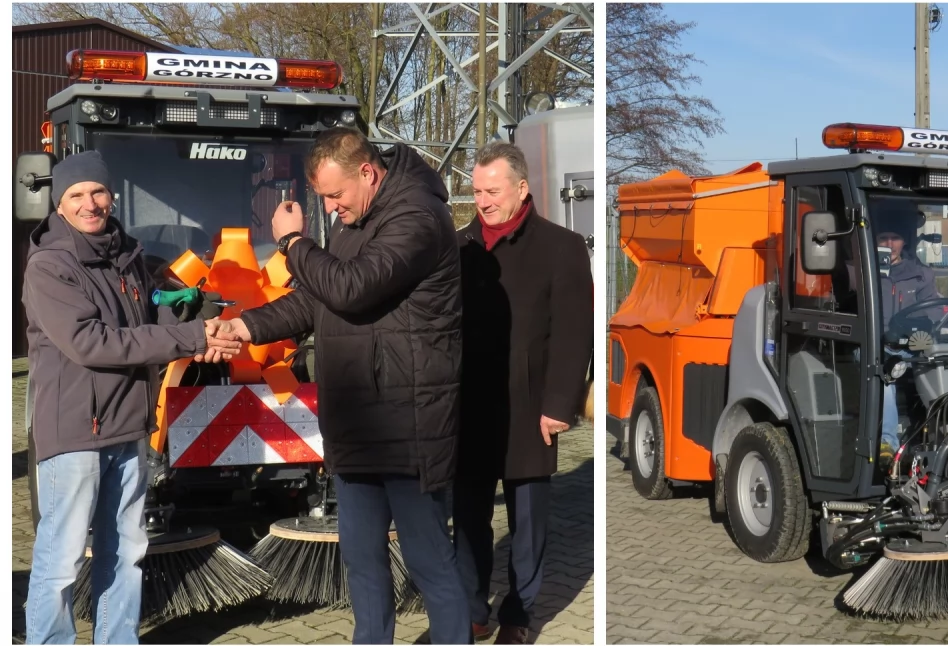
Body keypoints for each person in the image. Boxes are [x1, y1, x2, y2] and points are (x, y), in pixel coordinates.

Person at [217, 127, 470, 644]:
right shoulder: (356, 220)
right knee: (360, 558)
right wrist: (243, 327)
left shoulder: (417, 219)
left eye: (336, 195)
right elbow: (319, 296)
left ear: (369, 173)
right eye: (325, 199)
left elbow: (351, 289)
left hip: (408, 424)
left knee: (428, 561)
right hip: (356, 419)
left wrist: (292, 242)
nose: (331, 207)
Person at [23, 150, 242, 645]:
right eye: (76, 195)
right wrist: (193, 339)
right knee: (61, 560)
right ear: (59, 206)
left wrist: (198, 323)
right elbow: (92, 343)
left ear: (112, 195)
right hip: (76, 433)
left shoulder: (129, 256)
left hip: (128, 427)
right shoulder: (49, 266)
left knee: (126, 552)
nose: (89, 203)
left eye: (97, 192)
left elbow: (144, 327)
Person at [454, 141, 592, 644]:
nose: (483, 200)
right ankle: (471, 607)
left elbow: (574, 333)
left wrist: (559, 405)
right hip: (468, 407)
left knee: (528, 521)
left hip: (531, 406)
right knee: (468, 515)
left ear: (522, 188)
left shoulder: (561, 247)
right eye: (476, 191)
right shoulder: (459, 246)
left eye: (492, 190)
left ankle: (518, 612)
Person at [875, 221, 941, 470]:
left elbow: (934, 309)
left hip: (910, 346)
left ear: (904, 242)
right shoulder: (860, 270)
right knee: (886, 376)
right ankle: (886, 444)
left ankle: (941, 439)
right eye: (884, 237)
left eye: (895, 237)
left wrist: (924, 330)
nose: (890, 244)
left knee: (944, 369)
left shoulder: (921, 274)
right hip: (874, 346)